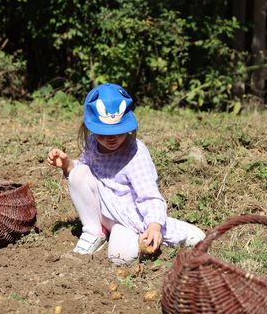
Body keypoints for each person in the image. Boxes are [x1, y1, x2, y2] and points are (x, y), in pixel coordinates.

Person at [47, 83, 205, 265]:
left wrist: (154, 225)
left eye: (117, 131)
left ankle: (150, 236)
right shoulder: (92, 143)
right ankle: (93, 231)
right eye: (102, 133)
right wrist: (66, 164)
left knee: (120, 257)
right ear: (90, 129)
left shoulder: (136, 154)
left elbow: (149, 196)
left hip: (127, 218)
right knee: (78, 173)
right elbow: (82, 176)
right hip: (103, 211)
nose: (111, 138)